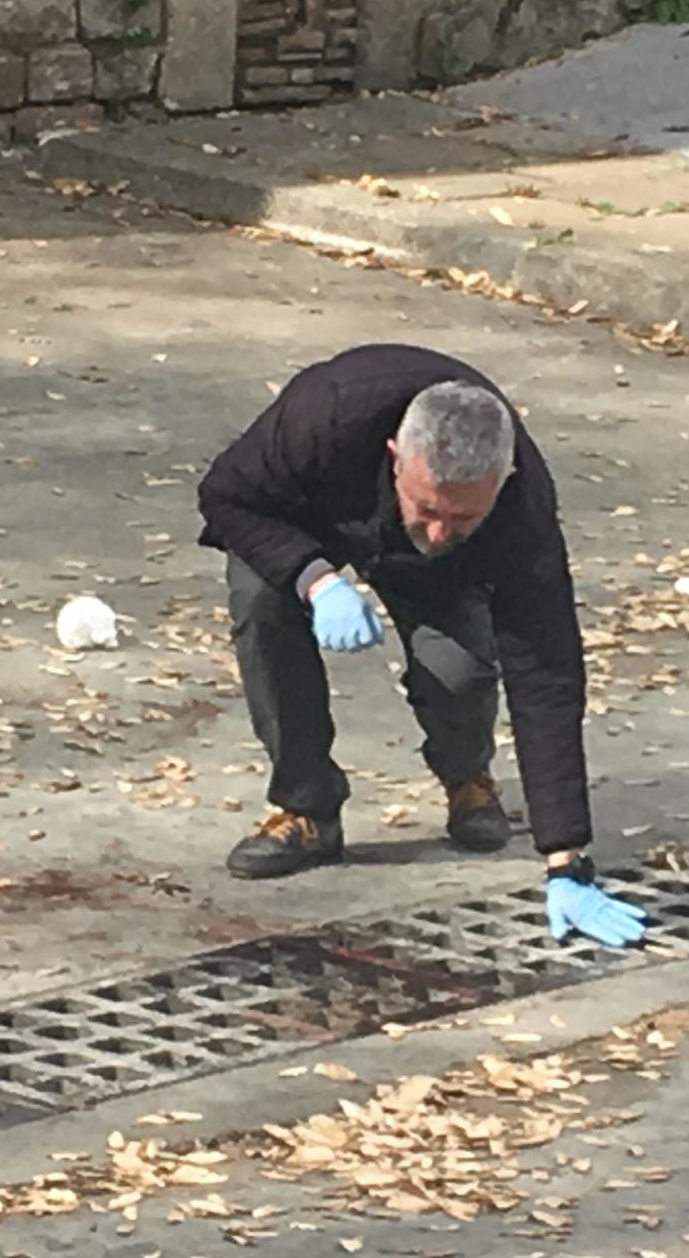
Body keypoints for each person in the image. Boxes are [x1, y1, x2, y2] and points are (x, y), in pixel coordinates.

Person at [195, 344, 648, 948]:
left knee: (456, 671)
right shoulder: (322, 415)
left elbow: (547, 674)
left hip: (440, 575)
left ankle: (467, 776)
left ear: (502, 483)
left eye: (462, 518)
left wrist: (566, 859)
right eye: (428, 507)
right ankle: (306, 808)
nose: (438, 531)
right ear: (394, 458)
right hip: (311, 524)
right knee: (260, 605)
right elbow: (225, 494)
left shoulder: (522, 509)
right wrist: (314, 577)